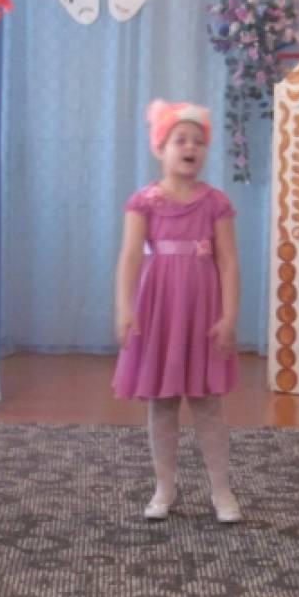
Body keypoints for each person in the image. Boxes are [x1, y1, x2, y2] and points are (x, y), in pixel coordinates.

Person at [113, 99, 242, 523]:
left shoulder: (216, 203)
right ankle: (164, 486)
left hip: (202, 315)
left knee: (207, 403)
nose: (190, 147)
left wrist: (229, 315)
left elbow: (228, 262)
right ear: (160, 148)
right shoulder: (144, 202)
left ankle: (221, 490)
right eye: (180, 140)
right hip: (160, 313)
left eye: (198, 142)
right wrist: (125, 308)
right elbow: (130, 257)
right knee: (163, 403)